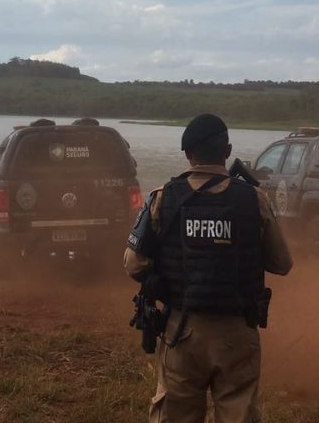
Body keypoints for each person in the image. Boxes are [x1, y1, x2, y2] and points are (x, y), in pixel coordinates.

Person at [124, 113, 293, 423]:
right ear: (227, 151)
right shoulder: (253, 199)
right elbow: (282, 263)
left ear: (188, 154)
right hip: (237, 332)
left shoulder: (163, 197)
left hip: (181, 330)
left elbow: (134, 264)